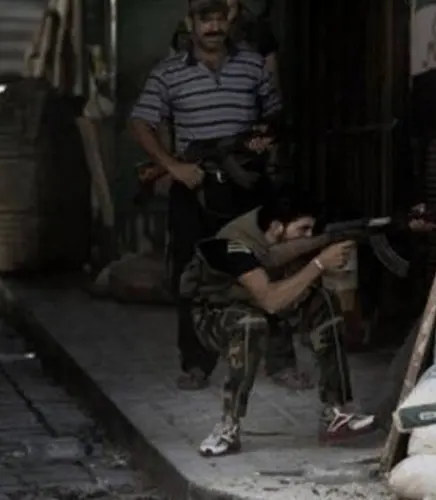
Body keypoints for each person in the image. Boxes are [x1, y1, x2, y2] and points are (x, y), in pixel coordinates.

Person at [128, 0, 284, 392]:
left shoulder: (251, 65)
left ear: (228, 20)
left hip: (244, 183)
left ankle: (279, 361)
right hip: (195, 186)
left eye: (218, 18)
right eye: (204, 18)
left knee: (267, 263)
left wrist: (261, 141)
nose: (212, 26)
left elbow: (275, 114)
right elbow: (139, 123)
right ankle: (197, 363)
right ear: (190, 22)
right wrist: (173, 165)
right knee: (191, 276)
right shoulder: (168, 75)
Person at [179, 191, 379, 456]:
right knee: (250, 324)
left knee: (322, 301)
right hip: (214, 315)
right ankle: (228, 426)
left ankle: (337, 411)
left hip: (257, 306)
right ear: (275, 227)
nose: (309, 236)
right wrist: (319, 263)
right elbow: (271, 300)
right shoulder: (232, 244)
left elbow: (280, 275)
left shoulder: (270, 240)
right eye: (303, 229)